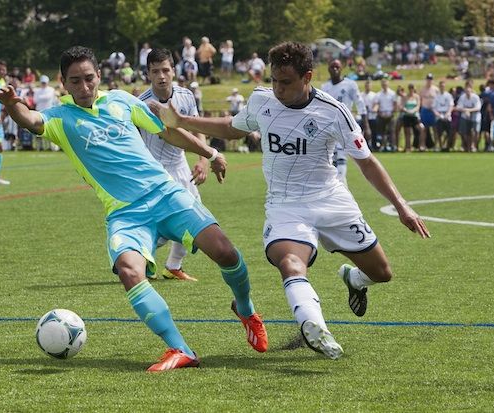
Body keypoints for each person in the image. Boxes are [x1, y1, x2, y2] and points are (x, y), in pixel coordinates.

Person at [150, 42, 430, 359]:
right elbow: (231, 127)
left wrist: (401, 206)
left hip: (331, 200)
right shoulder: (261, 101)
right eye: (274, 81)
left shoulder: (333, 112)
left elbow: (366, 161)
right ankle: (315, 328)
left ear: (307, 76)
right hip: (285, 205)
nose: (278, 89)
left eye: (286, 82)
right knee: (290, 263)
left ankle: (353, 279)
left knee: (382, 272)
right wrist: (183, 120)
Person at [0, 46, 267, 371]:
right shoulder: (60, 118)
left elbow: (167, 131)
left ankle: (246, 309)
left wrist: (210, 153)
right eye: (75, 81)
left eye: (89, 78)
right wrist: (13, 106)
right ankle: (180, 349)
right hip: (126, 214)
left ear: (100, 76)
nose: (84, 87)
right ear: (63, 83)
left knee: (225, 252)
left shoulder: (122, 100)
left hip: (167, 194)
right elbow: (31, 119)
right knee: (129, 270)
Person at [137, 48, 208, 281]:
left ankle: (173, 266)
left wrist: (202, 160)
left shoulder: (186, 96)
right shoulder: (140, 104)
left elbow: (198, 129)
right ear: (148, 73)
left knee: (195, 217)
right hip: (155, 171)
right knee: (166, 226)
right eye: (155, 71)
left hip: (181, 166)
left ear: (174, 71)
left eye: (165, 70)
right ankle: (133, 259)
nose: (161, 76)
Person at [321, 59, 370, 184]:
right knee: (331, 159)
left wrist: (366, 125)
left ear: (342, 68)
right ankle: (339, 185)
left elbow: (360, 104)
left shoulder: (350, 85)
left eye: (337, 66)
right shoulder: (325, 87)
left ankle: (341, 184)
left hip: (345, 126)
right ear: (328, 69)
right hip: (329, 127)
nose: (335, 69)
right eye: (332, 67)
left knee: (343, 156)